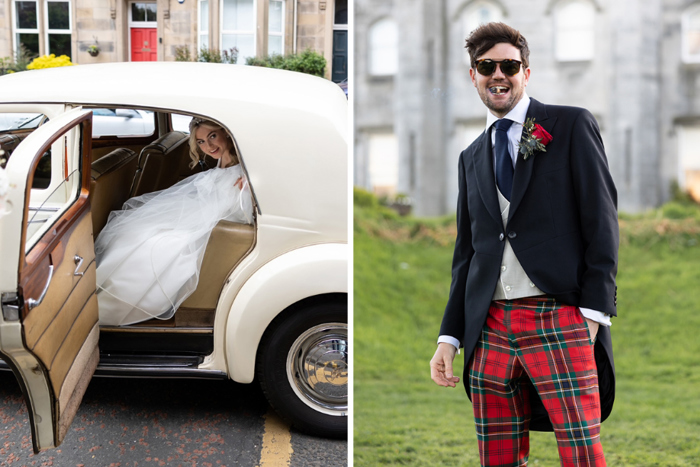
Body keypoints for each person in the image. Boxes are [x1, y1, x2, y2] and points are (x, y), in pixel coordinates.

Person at [429, 22, 618, 466]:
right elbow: (468, 255)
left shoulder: (570, 125)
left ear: (525, 73)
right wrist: (450, 337)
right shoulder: (471, 156)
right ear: (472, 75)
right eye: (486, 66)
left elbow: (602, 222)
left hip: (559, 317)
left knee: (581, 453)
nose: (499, 74)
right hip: (490, 325)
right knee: (497, 456)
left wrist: (592, 316)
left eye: (509, 65)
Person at [95, 118, 254, 326]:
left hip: (214, 221)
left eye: (212, 136)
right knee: (134, 232)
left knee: (155, 245)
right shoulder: (224, 159)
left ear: (225, 132)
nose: (209, 146)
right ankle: (100, 293)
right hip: (200, 213)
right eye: (201, 142)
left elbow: (242, 212)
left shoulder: (244, 166)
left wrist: (249, 185)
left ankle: (113, 305)